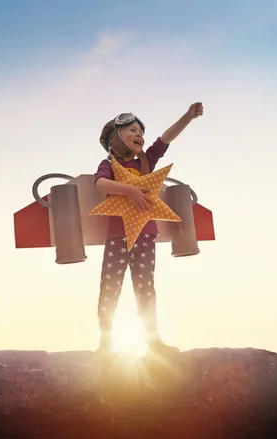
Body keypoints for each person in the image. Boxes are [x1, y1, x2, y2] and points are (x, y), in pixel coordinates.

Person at [94, 102, 204, 355]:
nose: (139, 135)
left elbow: (165, 139)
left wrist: (187, 116)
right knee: (110, 287)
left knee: (146, 288)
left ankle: (153, 342)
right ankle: (106, 344)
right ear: (115, 137)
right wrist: (130, 190)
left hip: (145, 236)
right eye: (132, 130)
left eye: (141, 132)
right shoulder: (108, 163)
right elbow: (101, 184)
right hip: (117, 237)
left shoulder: (147, 161)